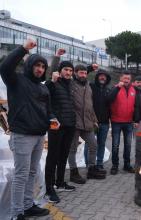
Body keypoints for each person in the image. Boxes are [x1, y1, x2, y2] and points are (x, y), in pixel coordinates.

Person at [0, 39, 59, 220]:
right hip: (22, 135)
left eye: (43, 66)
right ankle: (17, 213)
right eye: (37, 65)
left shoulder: (42, 88)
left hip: (39, 135)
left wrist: (53, 119)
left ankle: (27, 205)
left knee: (32, 173)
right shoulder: (16, 80)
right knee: (21, 174)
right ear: (29, 65)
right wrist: (24, 49)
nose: (40, 69)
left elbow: (48, 110)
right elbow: (4, 67)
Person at [44, 49, 76, 203]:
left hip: (70, 125)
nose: (69, 72)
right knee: (52, 157)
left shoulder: (71, 85)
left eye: (71, 70)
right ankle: (49, 189)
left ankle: (60, 182)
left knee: (63, 155)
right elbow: (45, 89)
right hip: (56, 126)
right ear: (60, 71)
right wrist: (56, 57)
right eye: (66, 69)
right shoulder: (53, 83)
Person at [68, 64, 106, 183]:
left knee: (93, 145)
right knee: (72, 149)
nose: (83, 75)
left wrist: (94, 120)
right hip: (75, 123)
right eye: (81, 73)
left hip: (87, 122)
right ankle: (73, 173)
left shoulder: (88, 86)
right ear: (75, 73)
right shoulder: (71, 84)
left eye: (85, 73)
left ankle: (91, 169)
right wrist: (90, 67)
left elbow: (90, 106)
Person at [108, 71, 136, 175]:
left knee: (128, 145)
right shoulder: (115, 88)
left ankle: (127, 165)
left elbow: (136, 105)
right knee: (115, 145)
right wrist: (117, 88)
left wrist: (135, 119)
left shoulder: (134, 89)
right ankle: (115, 165)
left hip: (129, 122)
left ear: (130, 79)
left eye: (128, 78)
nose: (126, 80)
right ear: (121, 78)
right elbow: (109, 99)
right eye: (124, 78)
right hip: (116, 122)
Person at [84, 68, 111, 172]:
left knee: (102, 144)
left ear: (107, 78)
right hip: (91, 122)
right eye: (100, 75)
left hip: (104, 122)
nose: (102, 77)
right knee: (89, 144)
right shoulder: (90, 86)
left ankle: (99, 164)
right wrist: (90, 68)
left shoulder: (108, 90)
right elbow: (82, 76)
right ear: (97, 77)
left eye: (104, 76)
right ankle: (88, 164)